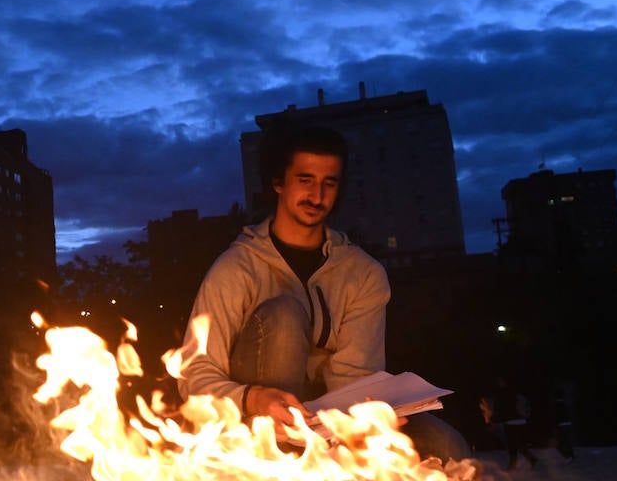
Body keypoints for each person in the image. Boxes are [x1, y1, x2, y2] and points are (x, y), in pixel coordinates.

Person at [177, 123, 469, 463]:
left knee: (447, 447)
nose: (317, 196)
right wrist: (253, 399)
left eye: (328, 183)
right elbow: (194, 376)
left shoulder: (362, 274)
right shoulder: (236, 269)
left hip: (329, 420)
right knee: (284, 316)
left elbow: (356, 378)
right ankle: (279, 478)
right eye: (305, 181)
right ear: (278, 183)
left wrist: (366, 420)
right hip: (257, 420)